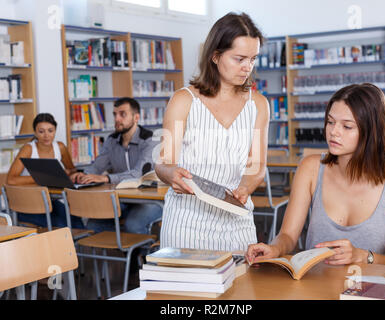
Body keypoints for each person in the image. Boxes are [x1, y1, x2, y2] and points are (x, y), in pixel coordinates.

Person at [247, 83, 385, 266]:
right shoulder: (311, 168)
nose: (333, 132)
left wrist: (362, 256)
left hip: (367, 290)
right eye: (331, 122)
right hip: (315, 285)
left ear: (371, 132)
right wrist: (275, 248)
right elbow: (287, 235)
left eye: (347, 126)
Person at [155, 12, 270, 251]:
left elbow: (257, 165)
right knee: (187, 289)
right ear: (215, 56)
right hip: (186, 222)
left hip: (237, 221)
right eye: (239, 59)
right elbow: (164, 162)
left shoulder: (258, 104)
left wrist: (245, 188)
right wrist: (171, 174)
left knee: (242, 288)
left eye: (253, 59)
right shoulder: (183, 100)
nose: (247, 67)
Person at [71, 97, 162, 234]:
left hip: (152, 198)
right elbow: (97, 166)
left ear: (136, 117)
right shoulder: (112, 140)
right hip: (124, 197)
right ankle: (126, 251)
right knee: (94, 224)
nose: (117, 119)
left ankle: (141, 255)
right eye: (115, 114)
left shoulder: (150, 140)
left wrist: (106, 179)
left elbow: (138, 175)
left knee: (133, 225)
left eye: (122, 114)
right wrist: (84, 175)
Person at [7, 113, 85, 229]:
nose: (46, 136)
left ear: (55, 131)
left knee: (77, 222)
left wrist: (71, 174)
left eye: (50, 131)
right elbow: (11, 180)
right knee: (62, 225)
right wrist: (44, 178)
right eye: (41, 131)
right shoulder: (28, 149)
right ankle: (63, 246)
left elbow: (72, 170)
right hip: (27, 203)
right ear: (35, 133)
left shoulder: (60, 147)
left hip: (50, 200)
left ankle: (75, 247)